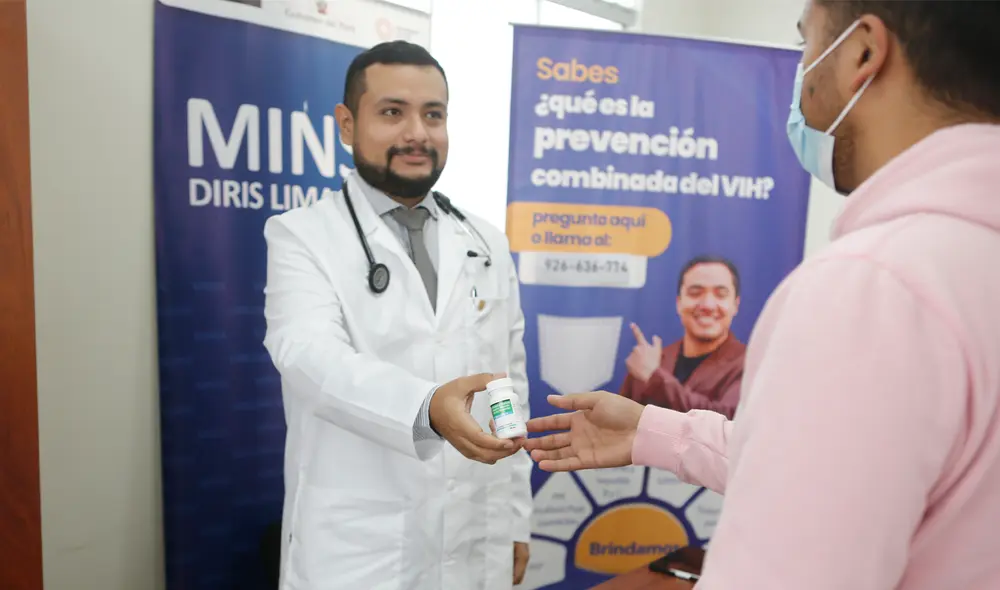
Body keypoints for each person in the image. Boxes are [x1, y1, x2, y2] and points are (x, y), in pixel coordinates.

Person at [524, 1, 1000, 588]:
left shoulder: (870, 289)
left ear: (862, 52)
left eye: (807, 44)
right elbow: (841, 471)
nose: (802, 77)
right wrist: (654, 431)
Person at [262, 41, 532, 590]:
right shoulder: (301, 235)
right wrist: (425, 407)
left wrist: (515, 521)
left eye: (433, 114)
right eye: (392, 112)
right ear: (346, 123)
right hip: (362, 548)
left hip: (476, 532)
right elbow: (308, 355)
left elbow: (511, 385)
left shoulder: (485, 241)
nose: (417, 133)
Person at [620, 256, 745, 418]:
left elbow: (726, 421)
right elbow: (616, 426)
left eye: (720, 294)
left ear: (735, 305)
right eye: (695, 293)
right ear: (679, 303)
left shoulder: (749, 365)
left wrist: (655, 379)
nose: (707, 305)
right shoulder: (651, 361)